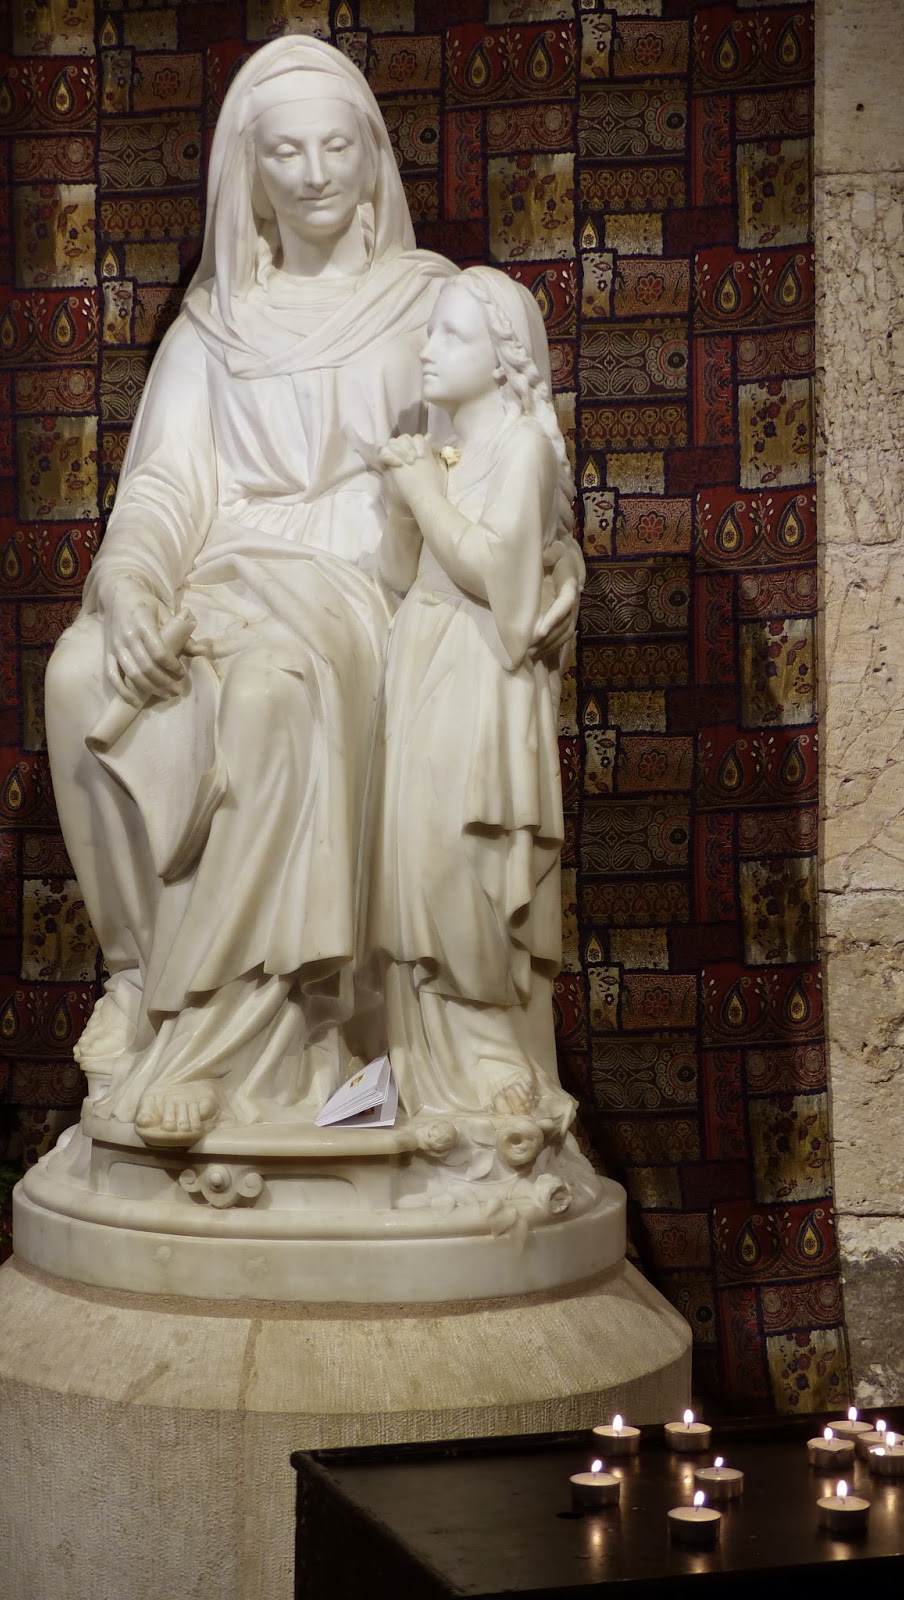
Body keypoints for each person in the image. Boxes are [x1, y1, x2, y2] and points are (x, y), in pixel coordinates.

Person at [44, 37, 457, 1142]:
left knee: (269, 692)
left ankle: (226, 1035)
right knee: (80, 673)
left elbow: (502, 465)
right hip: (219, 572)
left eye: (337, 146)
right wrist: (131, 587)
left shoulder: (431, 306)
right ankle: (138, 981)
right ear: (251, 169)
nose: (316, 171)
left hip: (363, 584)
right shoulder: (213, 324)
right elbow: (167, 486)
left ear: (372, 156)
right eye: (288, 151)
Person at [370, 267, 581, 1139]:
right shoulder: (444, 450)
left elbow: (504, 583)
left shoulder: (522, 448)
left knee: (466, 857)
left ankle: (490, 1049)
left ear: (503, 359)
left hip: (482, 676)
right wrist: (405, 502)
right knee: (418, 860)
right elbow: (395, 573)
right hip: (423, 655)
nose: (428, 349)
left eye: (451, 335)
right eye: (430, 333)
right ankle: (428, 1068)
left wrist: (422, 490)